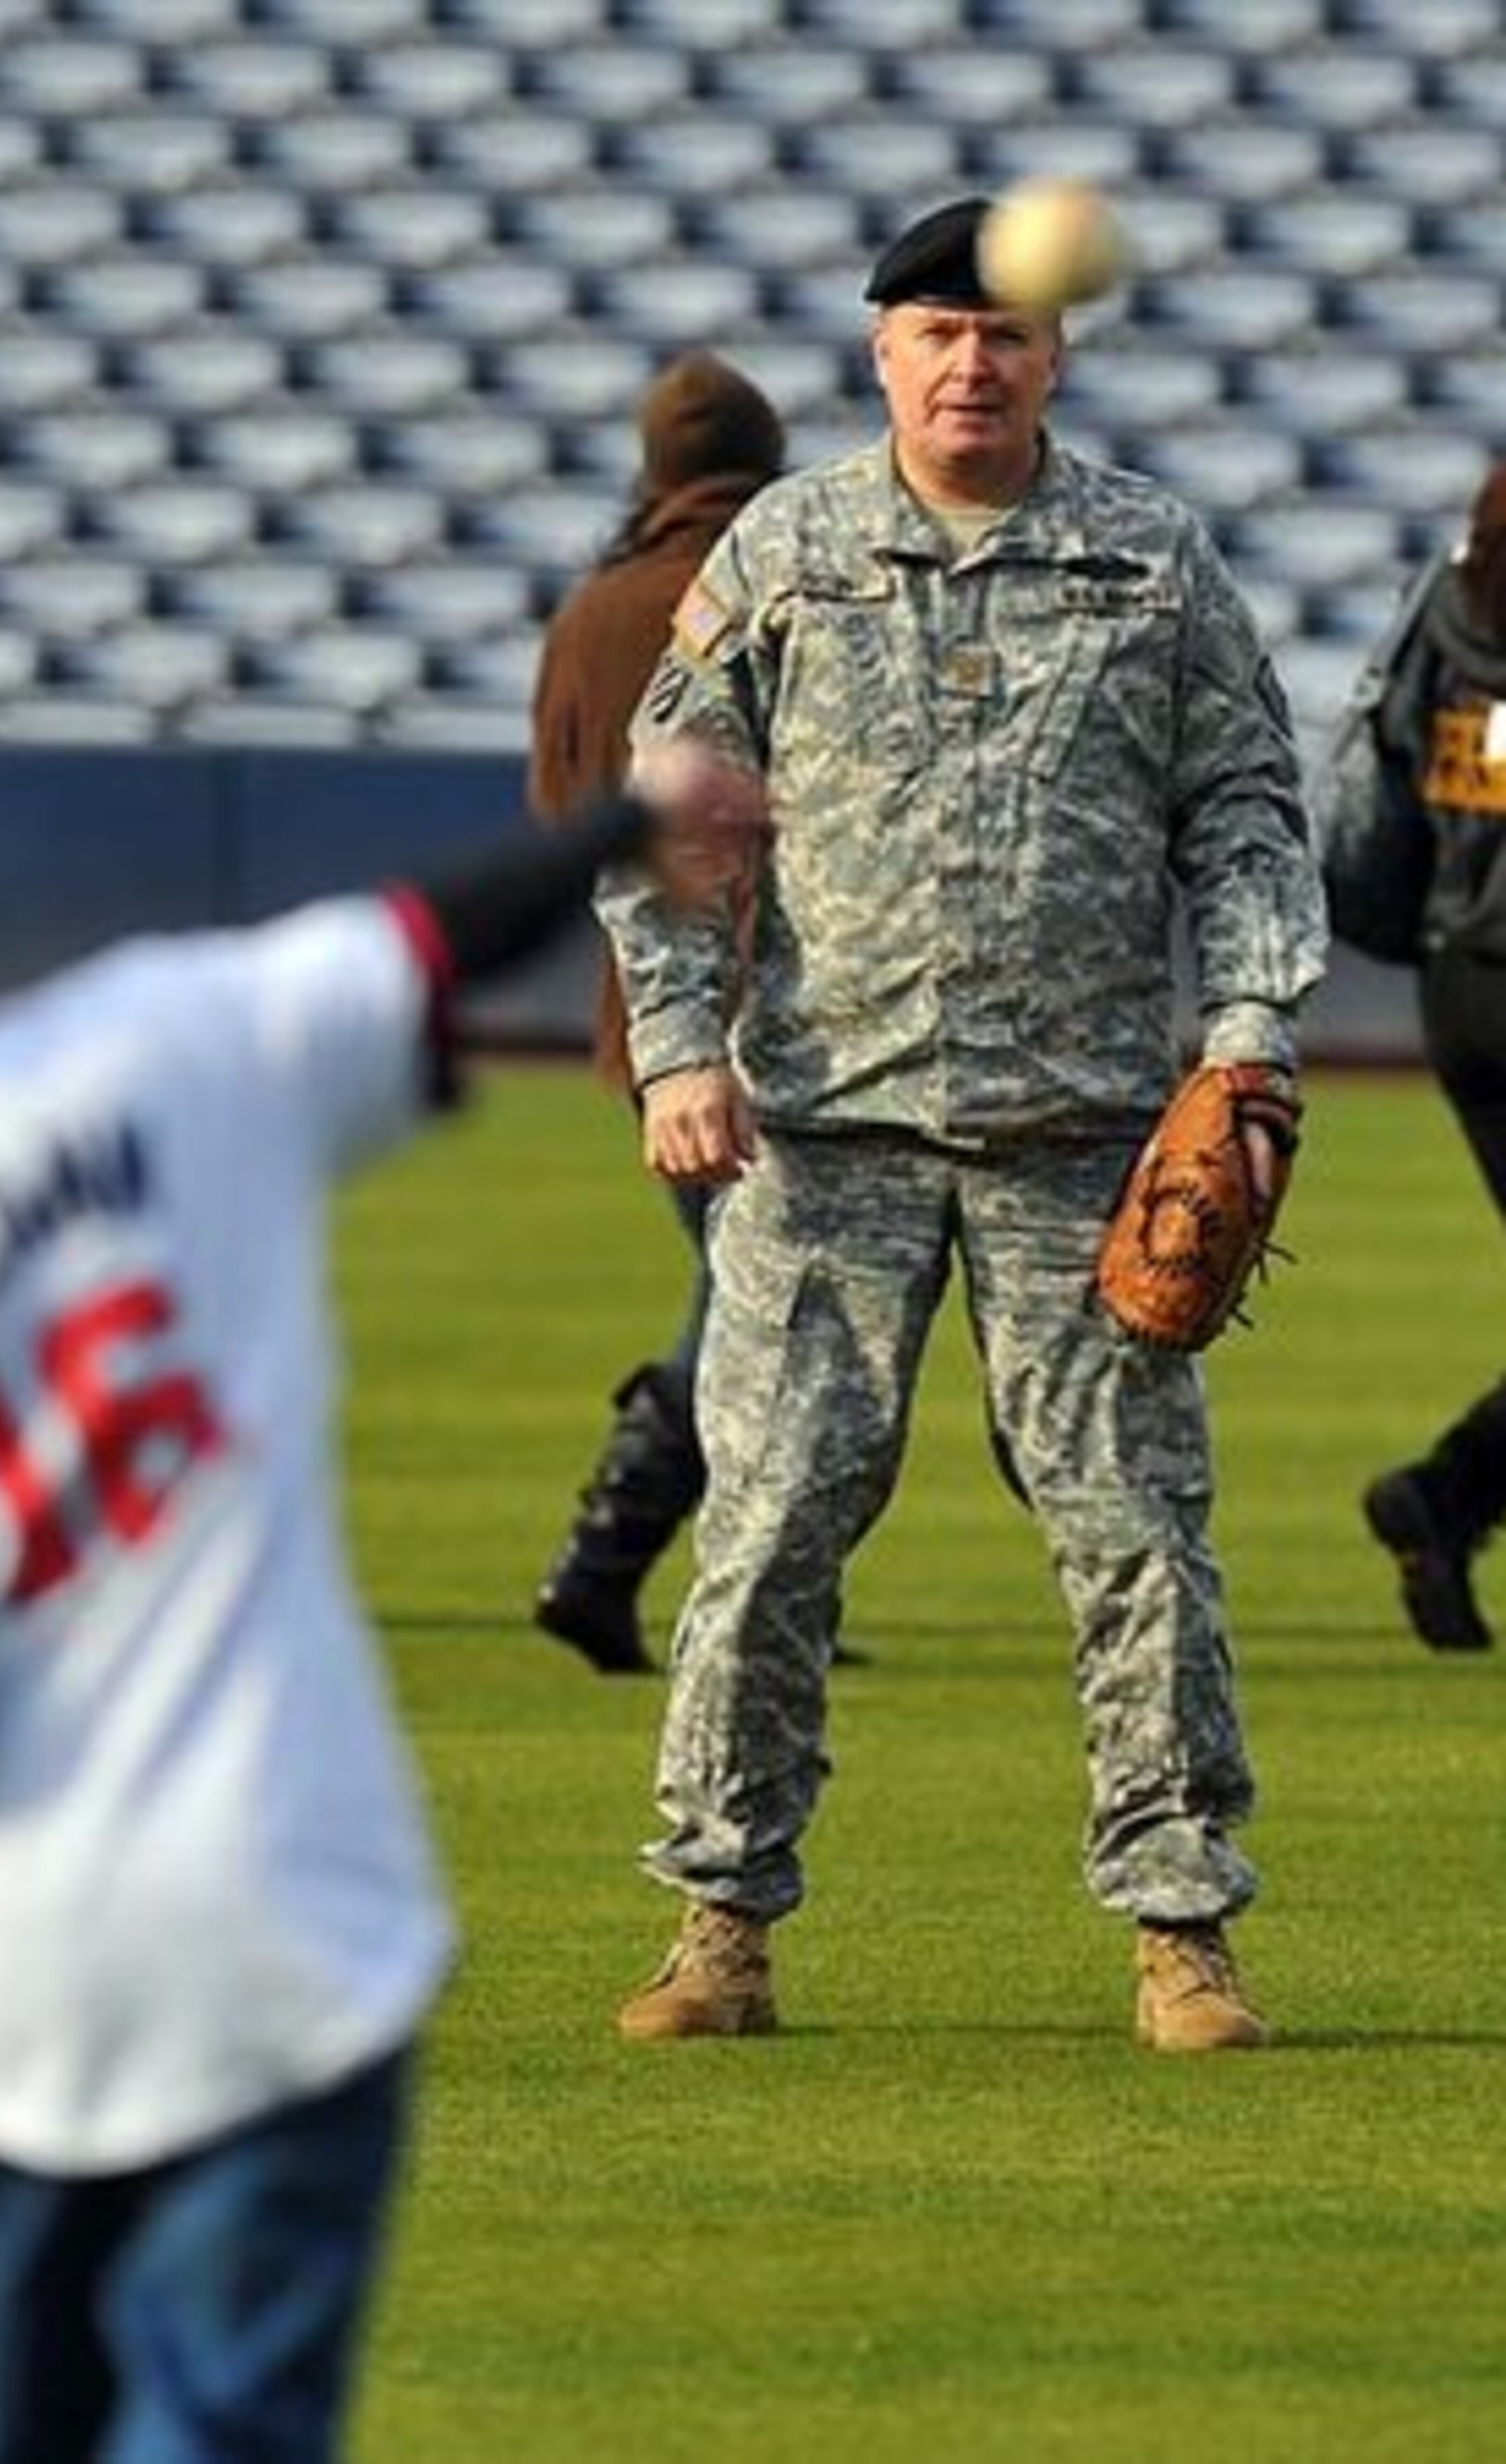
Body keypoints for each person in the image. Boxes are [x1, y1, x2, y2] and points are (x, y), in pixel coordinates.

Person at [0, 712, 762, 2462]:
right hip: (280, 1925)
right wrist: (631, 815)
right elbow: (428, 934)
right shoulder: (152, 1046)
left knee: (2, 2420)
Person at [595, 195, 1328, 2053]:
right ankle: (719, 1924)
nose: (971, 360)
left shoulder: (1152, 561)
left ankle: (1183, 1933)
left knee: (1136, 1539)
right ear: (882, 353)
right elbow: (670, 810)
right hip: (823, 1132)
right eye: (936, 330)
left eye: (1001, 332)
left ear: (1052, 351)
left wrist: (1246, 1042)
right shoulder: (789, 548)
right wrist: (680, 1046)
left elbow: (1246, 814)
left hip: (1080, 1136)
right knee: (768, 1530)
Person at [528, 349, 787, 1676]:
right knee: (759, 1310)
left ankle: (733, 1578)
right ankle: (609, 1552)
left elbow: (561, 820)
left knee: (754, 1300)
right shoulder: (794, 581)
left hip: (651, 1016)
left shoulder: (594, 607)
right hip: (797, 1003)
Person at [1316, 462, 1506, 1653]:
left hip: (1462, 984)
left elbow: (1399, 769)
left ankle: (1448, 1499)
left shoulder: (1452, 601)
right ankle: (1446, 1492)